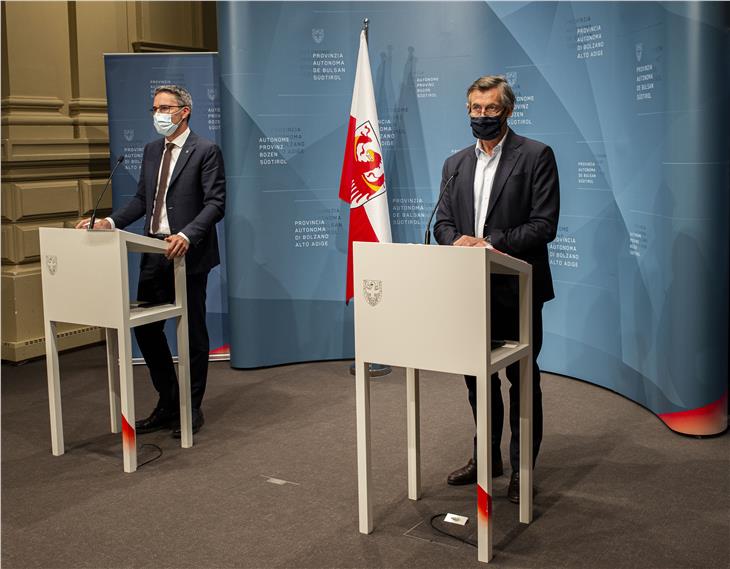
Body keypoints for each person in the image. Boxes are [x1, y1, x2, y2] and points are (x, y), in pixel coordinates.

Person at [434, 75, 559, 502]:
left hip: (517, 287)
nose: (482, 117)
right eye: (475, 109)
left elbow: (544, 226)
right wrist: (455, 241)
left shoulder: (537, 155)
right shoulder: (454, 165)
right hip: (470, 290)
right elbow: (443, 223)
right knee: (477, 381)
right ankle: (486, 456)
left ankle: (523, 465)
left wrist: (489, 243)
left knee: (522, 378)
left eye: (490, 109)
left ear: (507, 110)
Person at [77, 84, 226, 437]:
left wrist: (187, 235)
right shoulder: (150, 151)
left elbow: (216, 203)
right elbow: (142, 201)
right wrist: (109, 222)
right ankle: (169, 402)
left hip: (185, 253)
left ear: (184, 111)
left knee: (192, 332)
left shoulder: (205, 150)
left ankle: (191, 407)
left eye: (165, 107)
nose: (158, 114)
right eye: (155, 108)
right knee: (145, 327)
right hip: (151, 252)